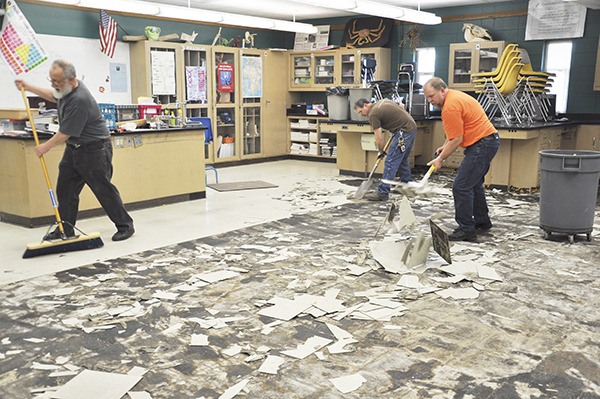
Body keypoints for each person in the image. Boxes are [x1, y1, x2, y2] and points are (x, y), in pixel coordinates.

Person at [15, 59, 135, 242]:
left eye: (57, 82)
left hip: (94, 149)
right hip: (74, 148)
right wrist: (28, 86)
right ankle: (66, 228)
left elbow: (65, 133)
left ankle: (125, 226)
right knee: (65, 189)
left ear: (71, 80)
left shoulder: (80, 99)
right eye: (52, 80)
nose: (54, 85)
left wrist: (45, 147)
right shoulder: (66, 90)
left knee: (103, 189)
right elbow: (53, 96)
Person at [423, 77, 499, 242]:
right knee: (474, 184)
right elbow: (455, 134)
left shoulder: (450, 106)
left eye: (431, 96)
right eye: (427, 98)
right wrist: (445, 146)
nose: (430, 101)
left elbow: (457, 139)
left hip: (481, 144)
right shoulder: (455, 97)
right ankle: (481, 221)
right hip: (488, 141)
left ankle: (466, 229)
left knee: (461, 187)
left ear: (442, 90)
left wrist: (440, 159)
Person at [354, 98, 418, 201]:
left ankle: (383, 192)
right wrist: (395, 126)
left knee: (390, 162)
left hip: (404, 131)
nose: (361, 115)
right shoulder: (382, 102)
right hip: (411, 128)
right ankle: (406, 185)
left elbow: (379, 138)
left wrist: (381, 151)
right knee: (401, 160)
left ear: (366, 105)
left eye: (361, 112)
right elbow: (401, 106)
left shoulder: (373, 114)